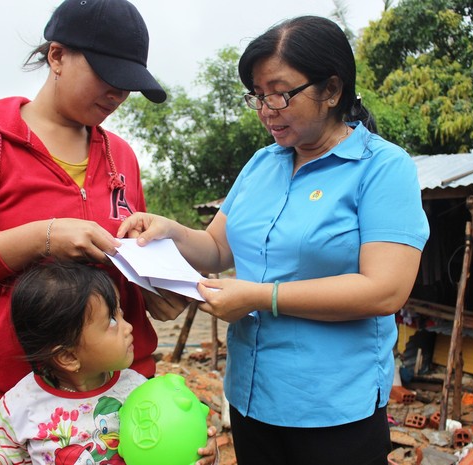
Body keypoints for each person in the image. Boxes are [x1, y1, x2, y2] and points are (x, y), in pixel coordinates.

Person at [118, 15, 430, 465]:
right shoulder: (262, 164)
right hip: (252, 397)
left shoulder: (382, 168)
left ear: (332, 90)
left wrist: (262, 297)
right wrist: (170, 230)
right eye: (258, 96)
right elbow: (219, 248)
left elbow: (386, 289)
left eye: (280, 93)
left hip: (334, 406)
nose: (267, 109)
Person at [0, 0, 184, 449]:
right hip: (14, 396)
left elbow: (125, 266)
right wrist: (41, 238)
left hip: (121, 392)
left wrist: (158, 291)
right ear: (56, 55)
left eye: (127, 84)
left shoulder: (122, 157)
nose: (117, 94)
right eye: (106, 75)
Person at [0, 260, 218, 465]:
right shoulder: (20, 404)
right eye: (112, 321)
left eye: (121, 313)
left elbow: (170, 444)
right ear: (68, 357)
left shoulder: (136, 390)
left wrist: (204, 452)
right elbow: (6, 447)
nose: (129, 327)